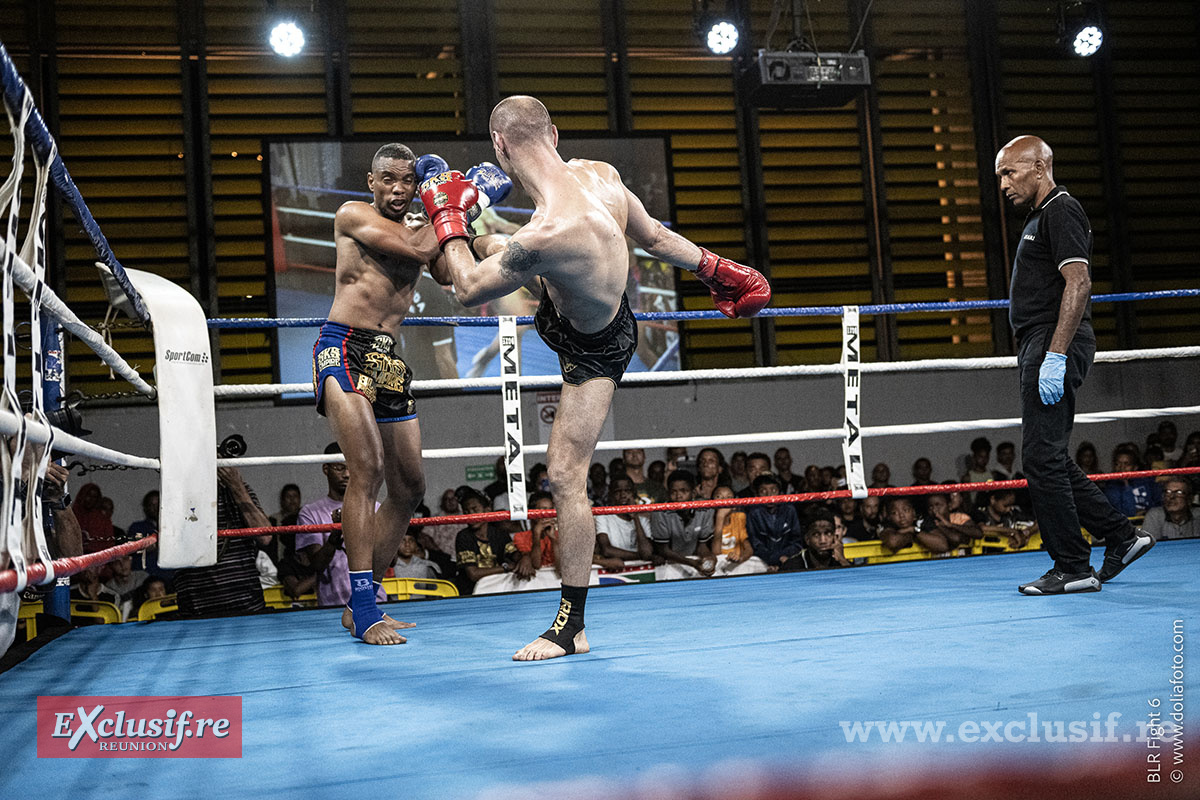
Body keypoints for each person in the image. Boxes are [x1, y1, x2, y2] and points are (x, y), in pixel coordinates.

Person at [421, 95, 769, 659]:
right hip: (573, 295)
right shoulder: (600, 177)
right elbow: (654, 236)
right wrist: (715, 267)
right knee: (476, 251)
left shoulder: (547, 235)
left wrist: (448, 216)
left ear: (499, 147)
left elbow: (466, 290)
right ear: (554, 135)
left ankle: (570, 626)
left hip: (593, 348)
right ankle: (465, 220)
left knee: (564, 476)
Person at [995, 134, 1153, 594]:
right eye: (999, 175)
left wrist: (1056, 354)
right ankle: (1122, 536)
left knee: (1040, 458)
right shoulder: (1040, 215)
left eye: (1010, 172)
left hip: (1052, 340)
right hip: (1041, 341)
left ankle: (1073, 566)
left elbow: (1078, 283)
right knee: (1049, 456)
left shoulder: (1061, 208)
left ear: (1040, 167)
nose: (1003, 183)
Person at [310, 143, 451, 644]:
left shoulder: (419, 225)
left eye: (408, 181)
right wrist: (463, 198)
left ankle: (362, 601)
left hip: (388, 356)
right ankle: (365, 605)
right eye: (387, 178)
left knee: (410, 487)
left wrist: (450, 209)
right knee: (365, 469)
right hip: (344, 345)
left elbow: (452, 273)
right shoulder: (352, 214)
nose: (397, 188)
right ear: (371, 182)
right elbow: (418, 249)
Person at [173, 466, 274, 617]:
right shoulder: (178, 496)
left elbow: (265, 537)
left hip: (247, 604)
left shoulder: (241, 491)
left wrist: (236, 486)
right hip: (197, 608)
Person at [594, 476, 655, 566]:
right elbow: (607, 550)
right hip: (615, 570)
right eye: (618, 492)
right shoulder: (603, 517)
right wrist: (640, 556)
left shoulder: (643, 521)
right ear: (610, 494)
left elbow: (647, 552)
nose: (623, 495)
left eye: (627, 491)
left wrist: (635, 518)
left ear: (634, 494)